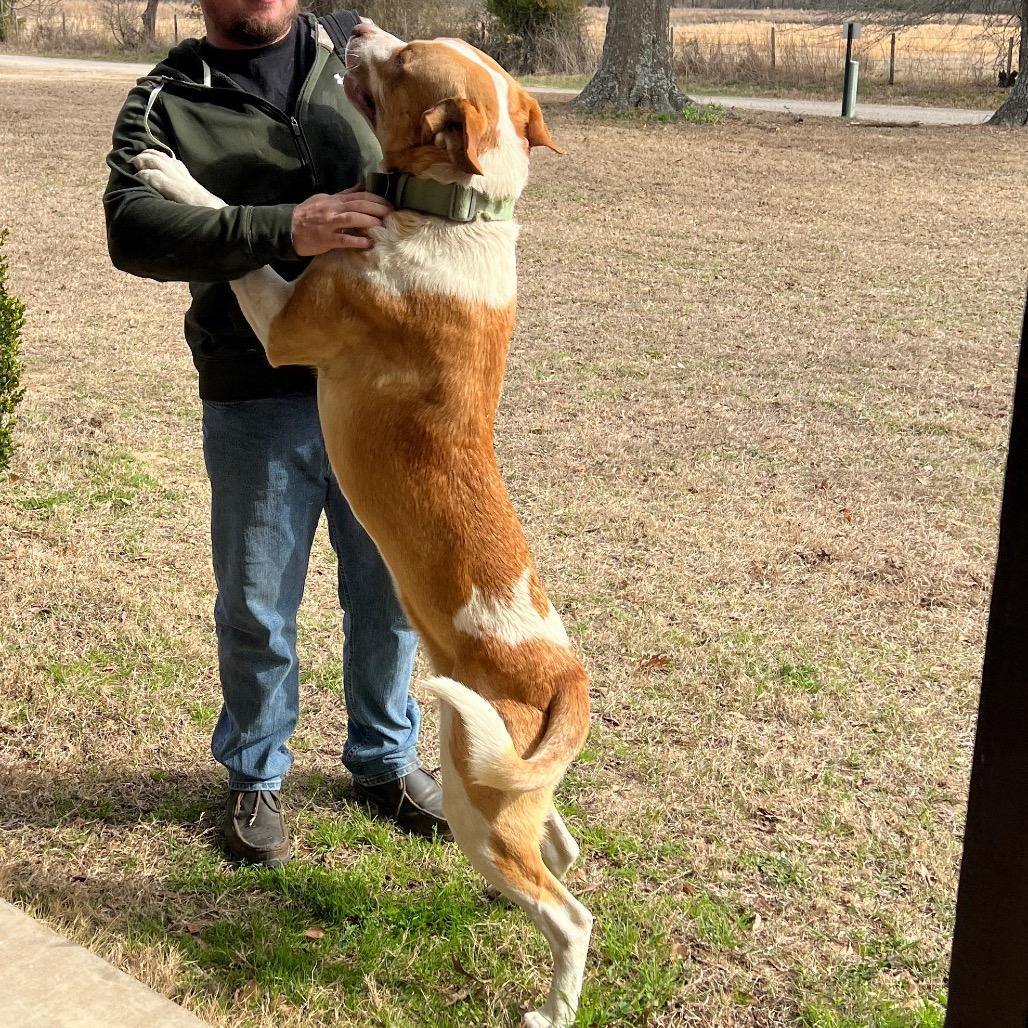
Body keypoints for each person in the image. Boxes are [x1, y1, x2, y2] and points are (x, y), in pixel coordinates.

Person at [103, 0, 449, 867]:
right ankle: (255, 772)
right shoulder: (168, 97)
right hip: (255, 389)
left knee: (389, 594)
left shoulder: (362, 60)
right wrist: (286, 225)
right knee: (258, 606)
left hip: (383, 389)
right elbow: (130, 228)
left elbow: (449, 145)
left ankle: (386, 759)